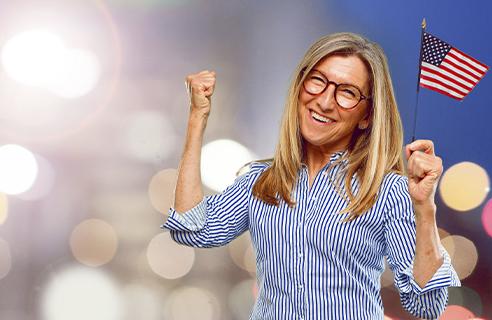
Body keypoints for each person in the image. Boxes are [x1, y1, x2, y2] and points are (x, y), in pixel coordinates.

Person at [161, 32, 459, 319]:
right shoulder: (261, 181)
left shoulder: (388, 190)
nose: (325, 101)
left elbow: (427, 304)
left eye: (347, 92)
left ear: (367, 116)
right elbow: (190, 228)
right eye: (317, 81)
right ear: (300, 86)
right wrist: (197, 117)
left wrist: (425, 209)